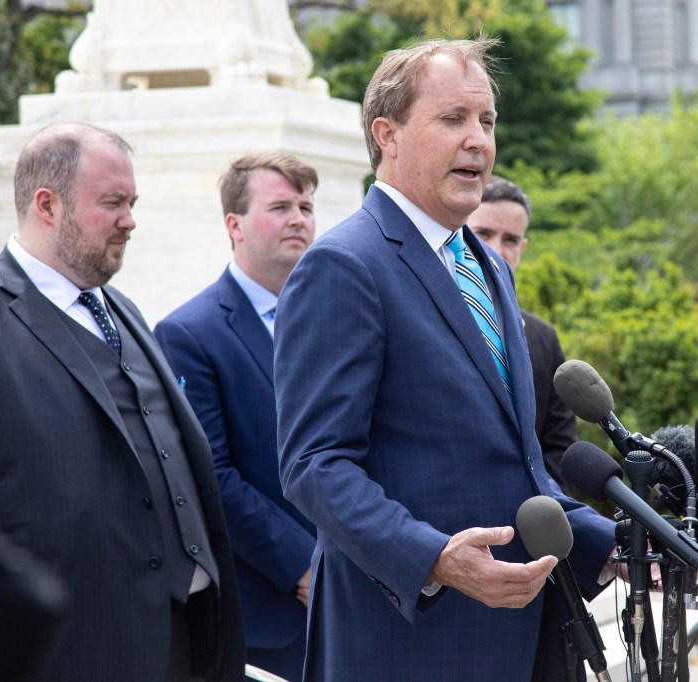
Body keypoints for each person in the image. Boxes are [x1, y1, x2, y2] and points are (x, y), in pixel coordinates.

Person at [274, 37, 616, 681]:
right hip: (407, 646)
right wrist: (433, 559)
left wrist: (614, 544)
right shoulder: (343, 266)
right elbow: (314, 466)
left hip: (519, 639)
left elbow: (513, 462)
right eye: (453, 119)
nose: (479, 141)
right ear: (388, 134)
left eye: (486, 121)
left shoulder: (487, 264)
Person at [0, 122, 246, 682]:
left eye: (133, 202)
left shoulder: (121, 307)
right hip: (67, 654)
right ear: (47, 205)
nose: (130, 220)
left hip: (183, 642)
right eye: (113, 203)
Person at [154, 152, 318, 681]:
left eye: (306, 205)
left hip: (364, 596)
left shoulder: (336, 319)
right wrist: (303, 566)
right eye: (280, 206)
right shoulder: (189, 333)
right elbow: (211, 475)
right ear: (235, 224)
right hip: (270, 610)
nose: (298, 218)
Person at [467, 176, 578, 494]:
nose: (496, 250)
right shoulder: (425, 318)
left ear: (523, 247)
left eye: (511, 240)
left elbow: (560, 450)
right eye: (483, 234)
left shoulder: (543, 337)